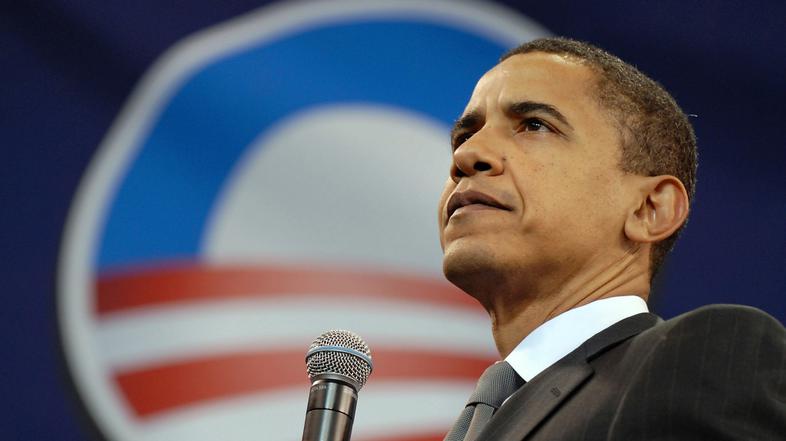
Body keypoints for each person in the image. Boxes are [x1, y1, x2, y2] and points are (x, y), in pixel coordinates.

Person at [438, 37, 786, 441]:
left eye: (534, 125)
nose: (467, 156)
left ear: (649, 209)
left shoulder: (704, 359)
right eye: (464, 137)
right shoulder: (479, 421)